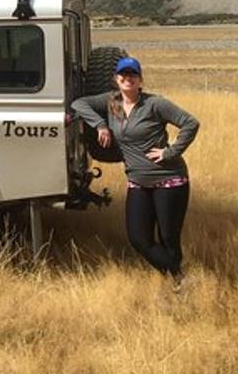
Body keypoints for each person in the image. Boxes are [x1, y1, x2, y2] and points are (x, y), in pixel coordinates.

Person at [70, 56, 200, 290]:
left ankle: (177, 284)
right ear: (116, 79)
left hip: (169, 179)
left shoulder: (155, 104)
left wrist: (170, 152)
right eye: (123, 75)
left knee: (168, 237)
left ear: (140, 80)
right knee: (139, 238)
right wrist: (100, 125)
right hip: (138, 182)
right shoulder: (113, 103)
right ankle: (181, 276)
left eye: (132, 75)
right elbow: (79, 104)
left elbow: (190, 123)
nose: (127, 78)